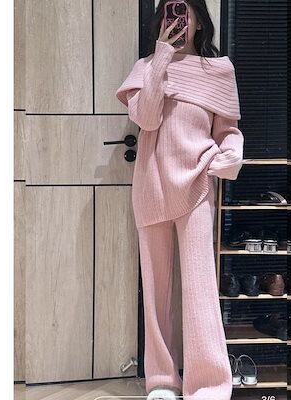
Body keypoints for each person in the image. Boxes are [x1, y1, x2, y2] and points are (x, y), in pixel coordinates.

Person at [116, 1, 244, 399]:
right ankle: (161, 381)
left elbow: (228, 131)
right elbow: (147, 119)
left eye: (185, 12)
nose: (178, 20)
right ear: (161, 19)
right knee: (155, 291)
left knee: (200, 289)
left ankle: (208, 383)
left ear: (200, 21)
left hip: (196, 187)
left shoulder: (218, 70)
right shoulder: (146, 67)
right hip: (152, 188)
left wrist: (225, 158)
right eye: (172, 11)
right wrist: (161, 55)